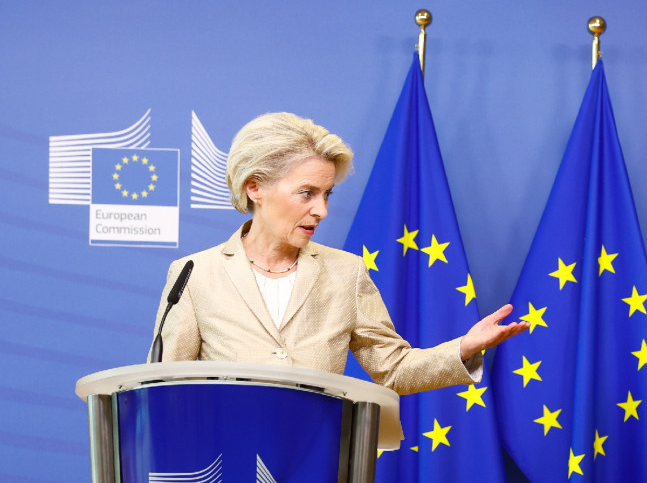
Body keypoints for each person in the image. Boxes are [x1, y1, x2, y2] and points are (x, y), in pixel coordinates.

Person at [152, 112, 526, 392]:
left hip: (319, 463)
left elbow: (393, 368)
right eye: (307, 192)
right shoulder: (193, 273)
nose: (321, 210)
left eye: (327, 194)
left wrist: (462, 348)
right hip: (221, 471)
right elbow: (164, 386)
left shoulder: (346, 272)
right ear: (254, 188)